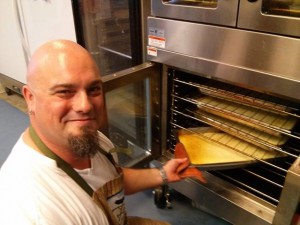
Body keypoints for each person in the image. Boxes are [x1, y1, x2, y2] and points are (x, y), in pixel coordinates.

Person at [0, 40, 191, 225]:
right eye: (65, 91)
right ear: (30, 98)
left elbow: (111, 179)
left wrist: (164, 174)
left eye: (94, 89)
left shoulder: (94, 139)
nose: (85, 106)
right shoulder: (31, 211)